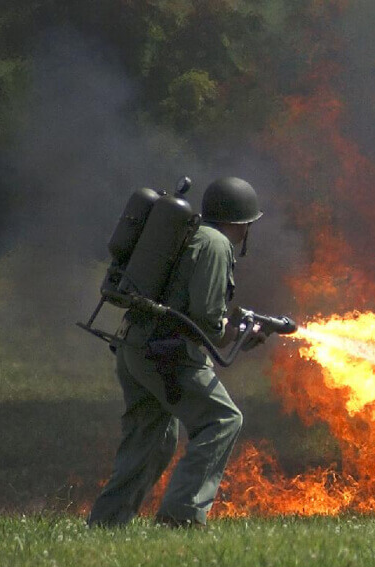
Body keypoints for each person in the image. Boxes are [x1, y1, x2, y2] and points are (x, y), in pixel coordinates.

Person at [88, 176, 264, 529]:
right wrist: (236, 335)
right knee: (222, 420)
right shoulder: (216, 244)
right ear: (241, 222)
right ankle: (181, 516)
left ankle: (107, 523)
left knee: (150, 439)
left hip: (133, 346)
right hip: (167, 355)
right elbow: (206, 319)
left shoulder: (188, 233)